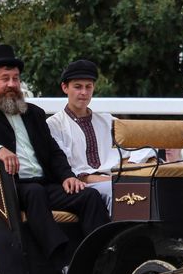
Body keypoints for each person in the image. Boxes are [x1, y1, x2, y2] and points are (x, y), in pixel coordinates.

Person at [0, 45, 110, 274]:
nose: (11, 84)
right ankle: (63, 262)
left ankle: (101, 258)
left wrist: (67, 176)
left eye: (15, 79)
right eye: (4, 79)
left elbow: (54, 151)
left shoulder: (33, 113)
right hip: (7, 187)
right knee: (35, 192)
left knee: (89, 195)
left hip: (44, 184)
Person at [47, 58, 156, 214]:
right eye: (77, 87)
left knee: (149, 188)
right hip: (81, 186)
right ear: (65, 87)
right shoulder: (54, 125)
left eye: (88, 87)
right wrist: (115, 181)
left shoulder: (107, 120)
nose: (84, 92)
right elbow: (73, 171)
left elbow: (141, 147)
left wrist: (129, 171)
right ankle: (118, 238)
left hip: (113, 180)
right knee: (120, 192)